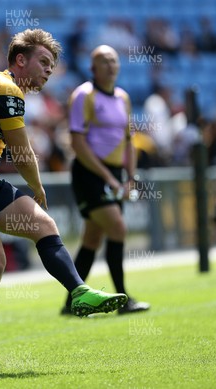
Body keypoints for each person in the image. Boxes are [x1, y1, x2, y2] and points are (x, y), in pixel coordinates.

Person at [0, 29, 128, 377]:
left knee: (44, 226)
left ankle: (78, 292)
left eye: (52, 65)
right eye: (44, 62)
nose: (49, 70)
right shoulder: (5, 88)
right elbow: (21, 151)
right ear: (20, 60)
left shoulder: (7, 90)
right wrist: (37, 188)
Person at [61, 45, 150, 316]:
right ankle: (124, 300)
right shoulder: (83, 96)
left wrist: (130, 177)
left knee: (92, 238)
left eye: (113, 60)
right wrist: (108, 177)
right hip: (89, 173)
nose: (110, 65)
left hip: (113, 174)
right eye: (104, 61)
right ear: (92, 68)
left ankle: (70, 302)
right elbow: (77, 142)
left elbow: (128, 141)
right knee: (118, 229)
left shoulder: (123, 97)